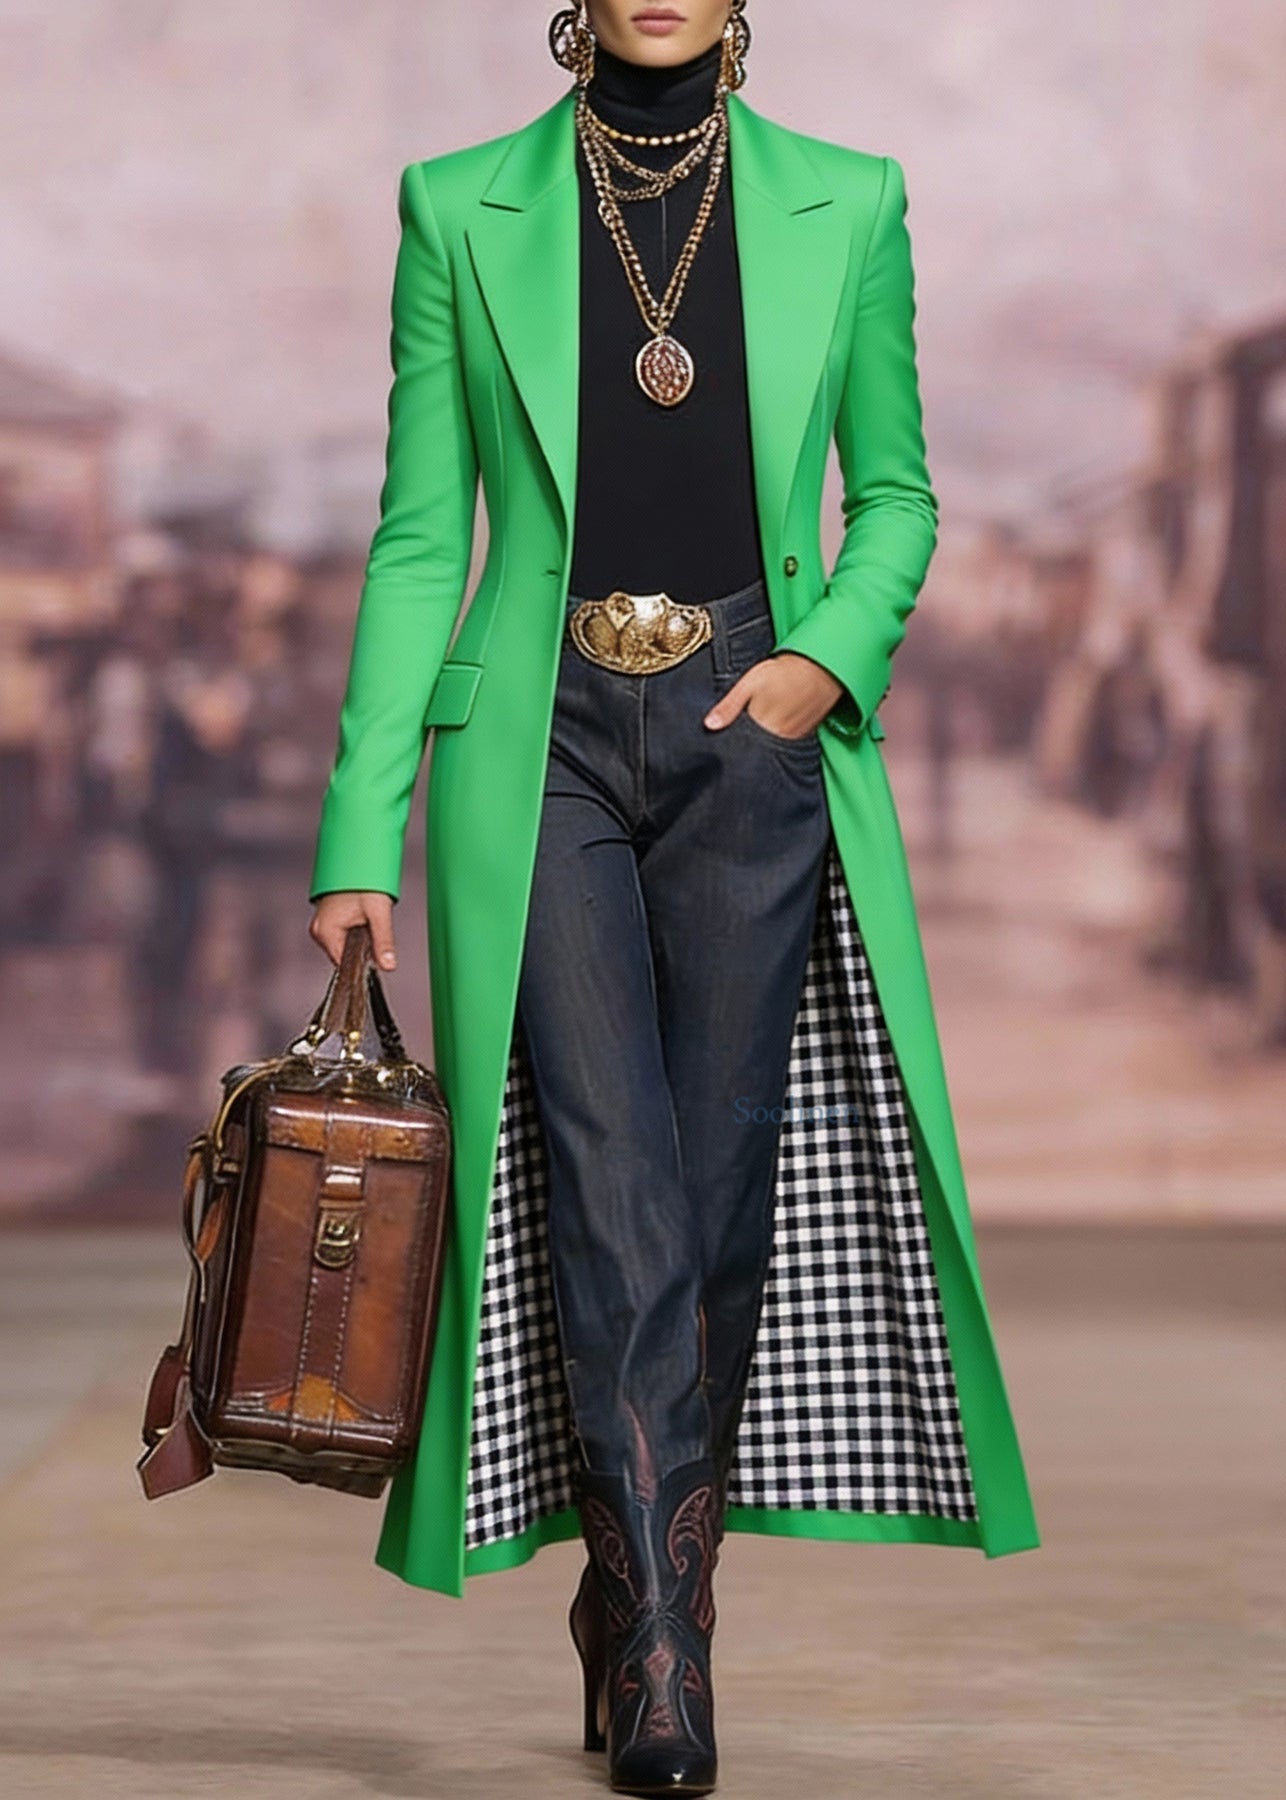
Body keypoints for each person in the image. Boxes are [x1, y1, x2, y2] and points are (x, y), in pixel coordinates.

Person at [309, 5, 1040, 1795]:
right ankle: (661, 1650)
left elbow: (896, 497)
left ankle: (640, 1580)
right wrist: (358, 827)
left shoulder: (848, 199)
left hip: (748, 728)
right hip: (533, 741)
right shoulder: (457, 202)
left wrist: (821, 663)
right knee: (608, 1177)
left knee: (714, 1197)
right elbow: (423, 535)